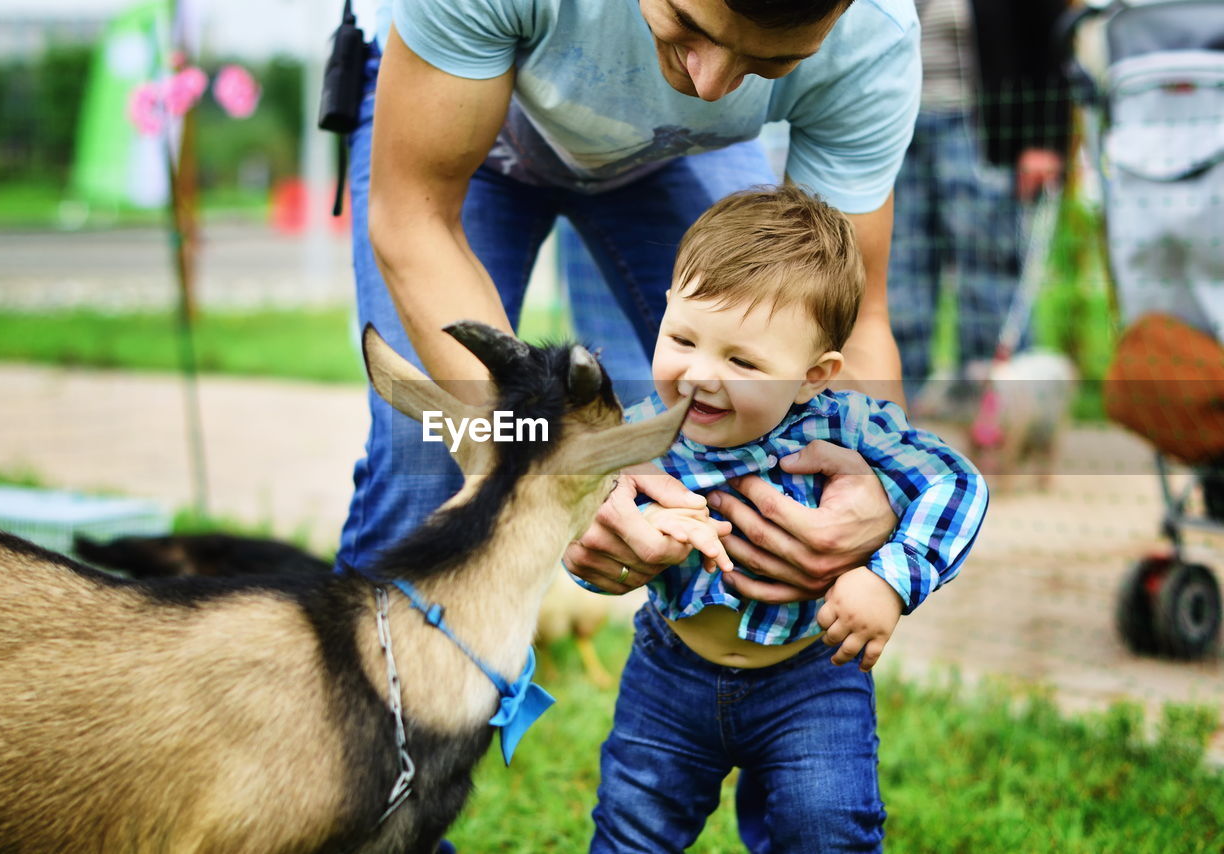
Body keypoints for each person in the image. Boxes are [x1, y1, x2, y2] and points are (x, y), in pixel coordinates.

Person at [338, 0, 924, 602]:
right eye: (689, 24)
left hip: (675, 150)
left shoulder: (871, 38)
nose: (711, 87)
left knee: (766, 384)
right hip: (465, 118)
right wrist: (554, 465)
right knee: (430, 448)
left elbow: (844, 328)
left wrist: (876, 481)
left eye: (769, 62)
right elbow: (415, 220)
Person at [589, 185, 988, 852]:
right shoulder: (641, 437)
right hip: (670, 671)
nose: (699, 375)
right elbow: (586, 509)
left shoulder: (846, 425)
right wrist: (611, 523)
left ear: (813, 376)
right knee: (632, 826)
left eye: (741, 360)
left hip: (812, 677)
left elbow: (955, 484)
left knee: (828, 827)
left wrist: (889, 579)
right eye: (682, 338)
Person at [888, 0, 1072, 400]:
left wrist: (1045, 139)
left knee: (989, 279)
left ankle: (997, 417)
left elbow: (1052, 40)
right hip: (894, 127)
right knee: (897, 277)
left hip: (980, 127)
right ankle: (897, 413)